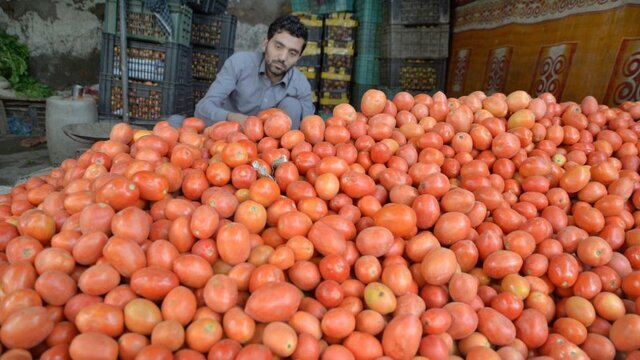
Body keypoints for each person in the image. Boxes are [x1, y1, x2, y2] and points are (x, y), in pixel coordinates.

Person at [192, 14, 315, 129]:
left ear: (298, 58)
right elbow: (202, 108)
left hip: (271, 146)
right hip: (230, 138)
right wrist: (231, 117)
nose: (283, 58)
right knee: (176, 121)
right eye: (278, 46)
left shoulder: (301, 84)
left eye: (292, 53)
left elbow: (310, 127)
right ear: (265, 44)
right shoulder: (239, 64)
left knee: (293, 105)